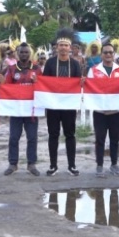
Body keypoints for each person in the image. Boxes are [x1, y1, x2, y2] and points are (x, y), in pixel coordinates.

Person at [42, 29, 83, 176]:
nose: (63, 48)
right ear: (57, 47)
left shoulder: (76, 64)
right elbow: (44, 82)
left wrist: (82, 82)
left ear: (70, 48)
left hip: (69, 105)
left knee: (70, 134)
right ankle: (53, 165)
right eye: (61, 45)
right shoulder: (50, 63)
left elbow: (79, 82)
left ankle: (71, 165)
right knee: (53, 134)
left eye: (66, 45)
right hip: (53, 105)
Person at [87, 43, 119, 178]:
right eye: (105, 52)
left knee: (114, 139)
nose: (108, 55)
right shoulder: (93, 70)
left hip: (116, 111)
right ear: (101, 55)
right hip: (100, 112)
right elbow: (89, 88)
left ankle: (114, 164)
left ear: (114, 54)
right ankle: (99, 165)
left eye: (111, 52)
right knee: (100, 139)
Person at [1, 42, 42, 177]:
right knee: (14, 137)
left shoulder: (36, 68)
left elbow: (43, 87)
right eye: (21, 52)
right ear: (17, 53)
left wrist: (37, 82)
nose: (24, 54)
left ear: (30, 53)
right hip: (16, 109)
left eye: (26, 52)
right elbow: (6, 87)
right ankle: (13, 164)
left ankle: (31, 164)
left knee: (32, 138)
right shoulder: (12, 69)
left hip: (31, 110)